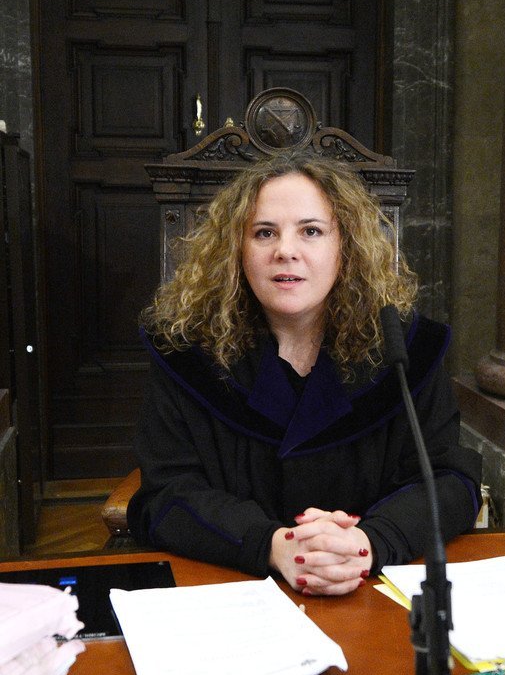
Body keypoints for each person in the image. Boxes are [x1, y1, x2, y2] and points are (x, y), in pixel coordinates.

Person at [127, 149, 482, 596]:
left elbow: (452, 482)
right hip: (234, 589)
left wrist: (369, 543)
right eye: (264, 233)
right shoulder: (185, 355)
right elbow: (165, 494)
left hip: (372, 590)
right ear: (236, 250)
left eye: (311, 231)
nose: (285, 251)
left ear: (345, 247)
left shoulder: (407, 351)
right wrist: (272, 545)